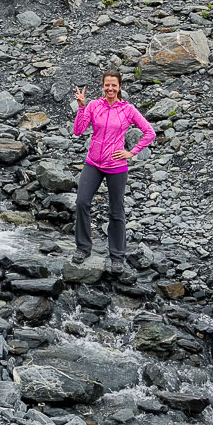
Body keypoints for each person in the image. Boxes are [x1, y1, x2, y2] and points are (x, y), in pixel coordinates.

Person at [72, 70, 155, 273]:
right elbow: (78, 130)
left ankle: (117, 256)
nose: (110, 89)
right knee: (82, 202)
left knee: (116, 211)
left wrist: (131, 152)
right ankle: (83, 248)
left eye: (114, 86)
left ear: (120, 87)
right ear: (103, 86)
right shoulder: (93, 105)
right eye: (107, 85)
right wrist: (82, 107)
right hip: (93, 162)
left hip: (116, 166)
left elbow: (149, 133)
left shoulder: (128, 110)